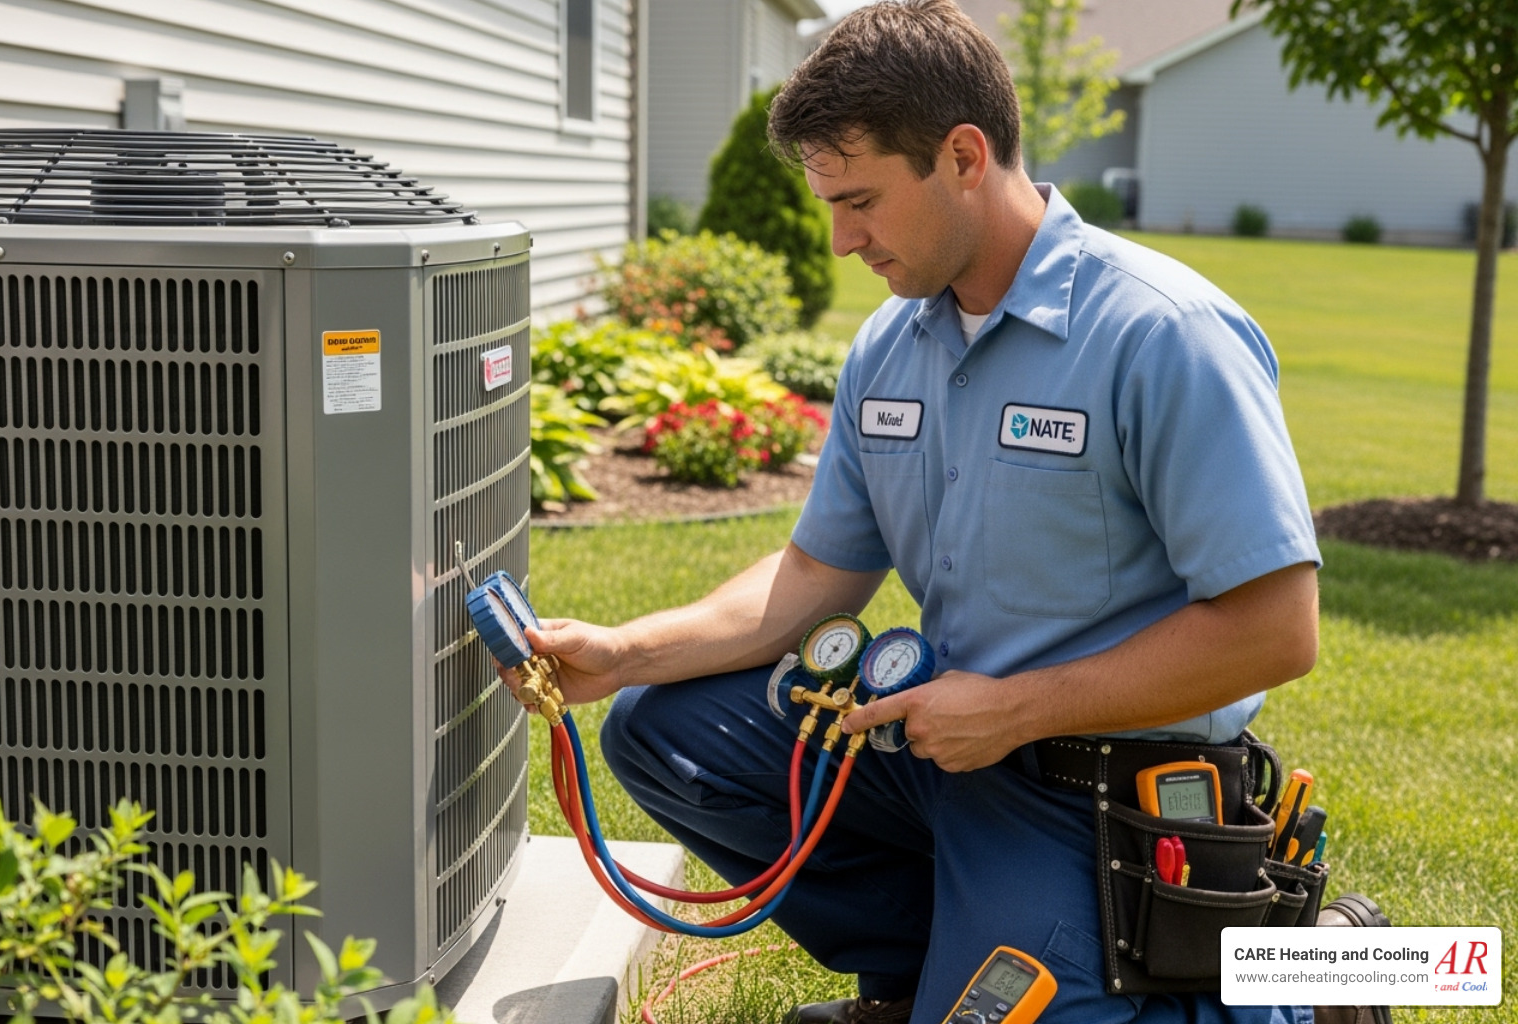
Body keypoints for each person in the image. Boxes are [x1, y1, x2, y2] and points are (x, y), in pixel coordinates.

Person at [504, 2, 1321, 1022]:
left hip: (1099, 793)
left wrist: (1017, 709)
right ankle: (914, 970)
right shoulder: (889, 350)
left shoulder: (1163, 334)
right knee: (665, 728)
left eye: (861, 202)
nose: (843, 241)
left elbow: (1276, 631)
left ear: (965, 156)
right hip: (938, 748)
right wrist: (626, 651)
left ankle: (1310, 978)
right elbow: (816, 578)